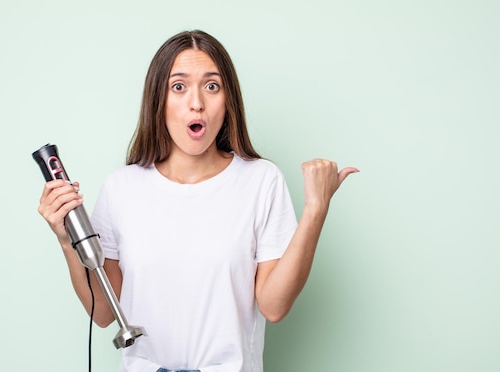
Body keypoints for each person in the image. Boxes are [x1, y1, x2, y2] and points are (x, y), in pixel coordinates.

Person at [38, 30, 358, 372]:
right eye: (179, 87)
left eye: (212, 86)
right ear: (157, 101)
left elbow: (274, 306)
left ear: (228, 100)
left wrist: (315, 210)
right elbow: (103, 314)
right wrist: (66, 240)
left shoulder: (260, 180)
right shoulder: (122, 188)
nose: (197, 103)